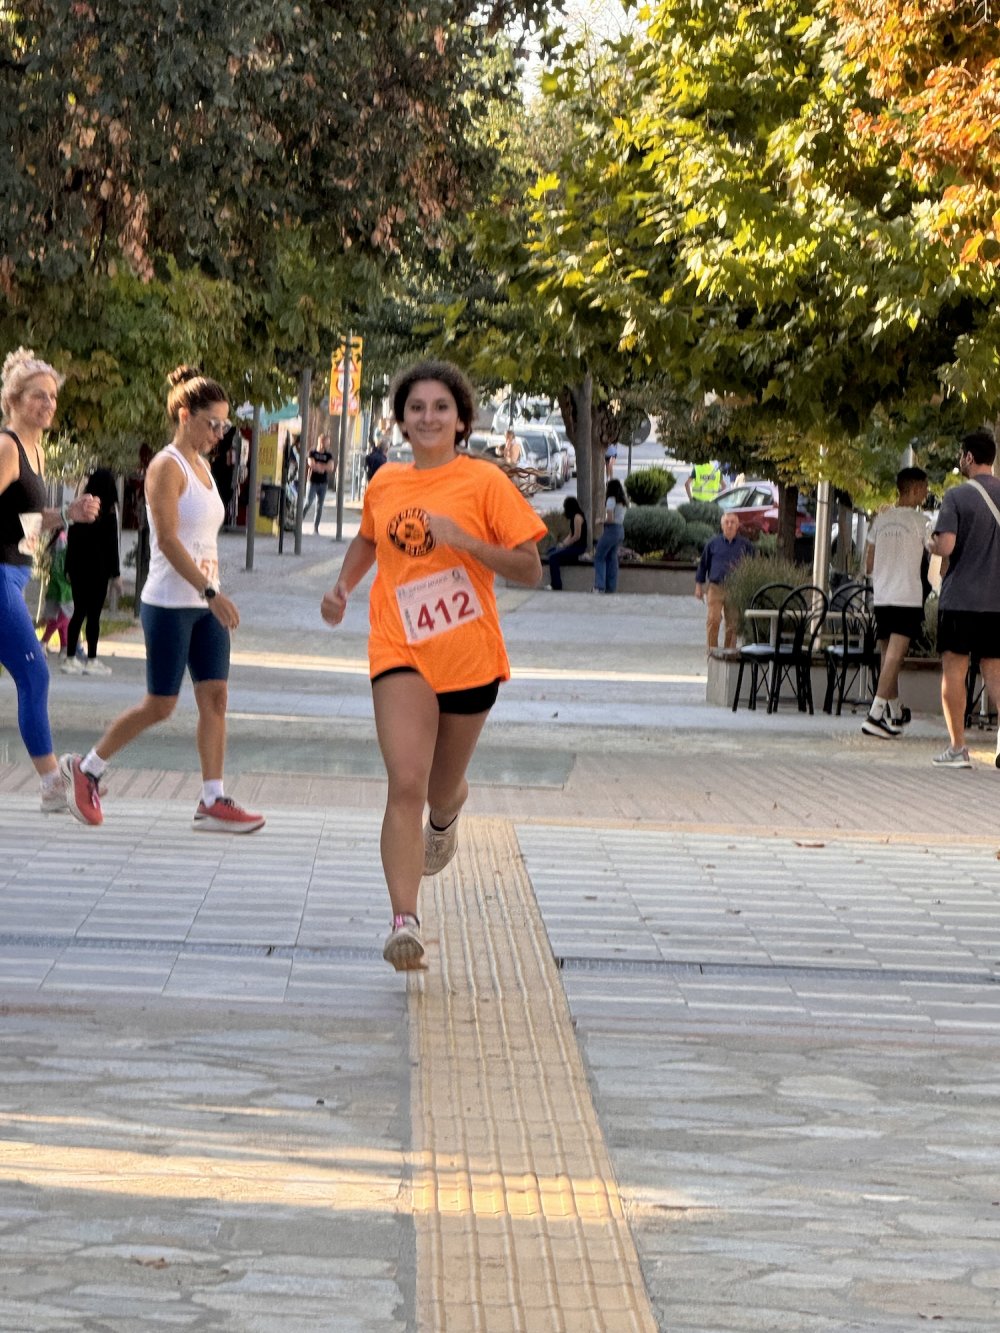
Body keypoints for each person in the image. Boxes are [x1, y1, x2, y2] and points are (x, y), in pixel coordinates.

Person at [320, 358, 544, 971]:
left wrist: (465, 541)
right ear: (400, 420)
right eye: (416, 408)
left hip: (469, 656)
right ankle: (403, 921)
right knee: (406, 783)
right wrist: (342, 586)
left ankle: (448, 813)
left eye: (440, 407)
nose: (427, 417)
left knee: (440, 789)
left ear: (461, 419)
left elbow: (530, 568)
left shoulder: (484, 483)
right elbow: (369, 537)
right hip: (399, 647)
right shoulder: (386, 482)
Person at [60, 366, 265, 833]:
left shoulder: (205, 469)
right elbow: (168, 541)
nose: (218, 434)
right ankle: (87, 767)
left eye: (223, 426)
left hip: (204, 604)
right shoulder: (165, 466)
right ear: (184, 415)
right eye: (212, 423)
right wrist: (211, 591)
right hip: (172, 602)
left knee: (216, 697)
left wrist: (212, 591)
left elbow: (202, 540)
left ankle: (212, 798)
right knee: (161, 704)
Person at [0, 346, 100, 814]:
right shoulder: (6, 447)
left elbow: (22, 519)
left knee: (31, 674)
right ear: (14, 400)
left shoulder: (35, 450)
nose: (48, 405)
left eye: (53, 397)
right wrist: (61, 514)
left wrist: (66, 516)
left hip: (15, 574)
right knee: (34, 672)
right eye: (38, 396)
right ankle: (50, 784)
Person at [928, 428, 1000, 768]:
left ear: (969, 457)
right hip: (996, 601)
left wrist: (931, 544)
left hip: (960, 600)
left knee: (954, 670)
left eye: (961, 454)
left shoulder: (956, 497)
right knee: (995, 672)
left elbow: (946, 547)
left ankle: (958, 748)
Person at [861, 467, 930, 738]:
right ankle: (875, 714)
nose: (926, 493)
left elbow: (868, 564)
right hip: (907, 595)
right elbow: (936, 553)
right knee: (896, 655)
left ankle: (894, 709)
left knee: (887, 655)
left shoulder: (880, 520)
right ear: (913, 489)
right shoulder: (920, 522)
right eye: (924, 488)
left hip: (882, 595)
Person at [61, 467, 122, 676]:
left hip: (78, 569)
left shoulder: (83, 510)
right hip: (99, 571)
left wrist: (67, 568)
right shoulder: (109, 515)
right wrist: (116, 575)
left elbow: (72, 541)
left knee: (78, 612)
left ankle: (69, 658)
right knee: (93, 615)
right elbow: (112, 547)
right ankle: (92, 659)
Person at [694, 511, 755, 651]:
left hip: (735, 588)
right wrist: (698, 586)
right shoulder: (712, 544)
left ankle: (729, 652)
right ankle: (712, 651)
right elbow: (703, 565)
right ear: (722, 525)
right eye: (726, 522)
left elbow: (754, 566)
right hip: (716, 587)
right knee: (713, 620)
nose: (729, 525)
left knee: (732, 624)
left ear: (737, 525)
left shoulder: (745, 545)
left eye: (732, 522)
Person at [39, 525, 72, 656]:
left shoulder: (60, 539)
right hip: (65, 586)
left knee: (62, 615)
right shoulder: (63, 539)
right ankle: (42, 642)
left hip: (57, 584)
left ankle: (64, 647)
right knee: (66, 615)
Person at [543, 496, 588, 591]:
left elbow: (577, 536)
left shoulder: (578, 517)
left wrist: (566, 545)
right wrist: (562, 544)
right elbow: (570, 534)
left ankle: (556, 585)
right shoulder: (574, 517)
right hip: (573, 547)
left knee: (553, 558)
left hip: (578, 548)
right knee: (551, 551)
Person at [593, 479, 628, 593]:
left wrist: (600, 521)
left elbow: (610, 519)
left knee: (599, 556)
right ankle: (611, 587)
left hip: (611, 531)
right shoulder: (623, 502)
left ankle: (599, 586)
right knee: (612, 559)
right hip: (620, 531)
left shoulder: (611, 500)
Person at [303, 433, 336, 532]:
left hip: (323, 483)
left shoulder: (329, 455)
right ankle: (298, 522)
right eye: (326, 442)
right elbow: (311, 464)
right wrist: (322, 466)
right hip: (312, 481)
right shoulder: (312, 452)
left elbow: (330, 467)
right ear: (320, 441)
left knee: (319, 505)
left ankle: (316, 528)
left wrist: (319, 466)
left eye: (328, 443)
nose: (327, 444)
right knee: (308, 502)